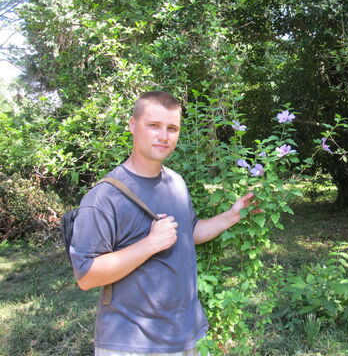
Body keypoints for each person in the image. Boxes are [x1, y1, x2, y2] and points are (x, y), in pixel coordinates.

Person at [69, 91, 260, 356]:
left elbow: (188, 233)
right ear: (133, 125)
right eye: (154, 125)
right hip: (134, 344)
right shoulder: (105, 197)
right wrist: (150, 244)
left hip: (186, 335)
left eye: (172, 128)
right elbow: (87, 276)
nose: (164, 136)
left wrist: (231, 216)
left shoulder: (176, 182)